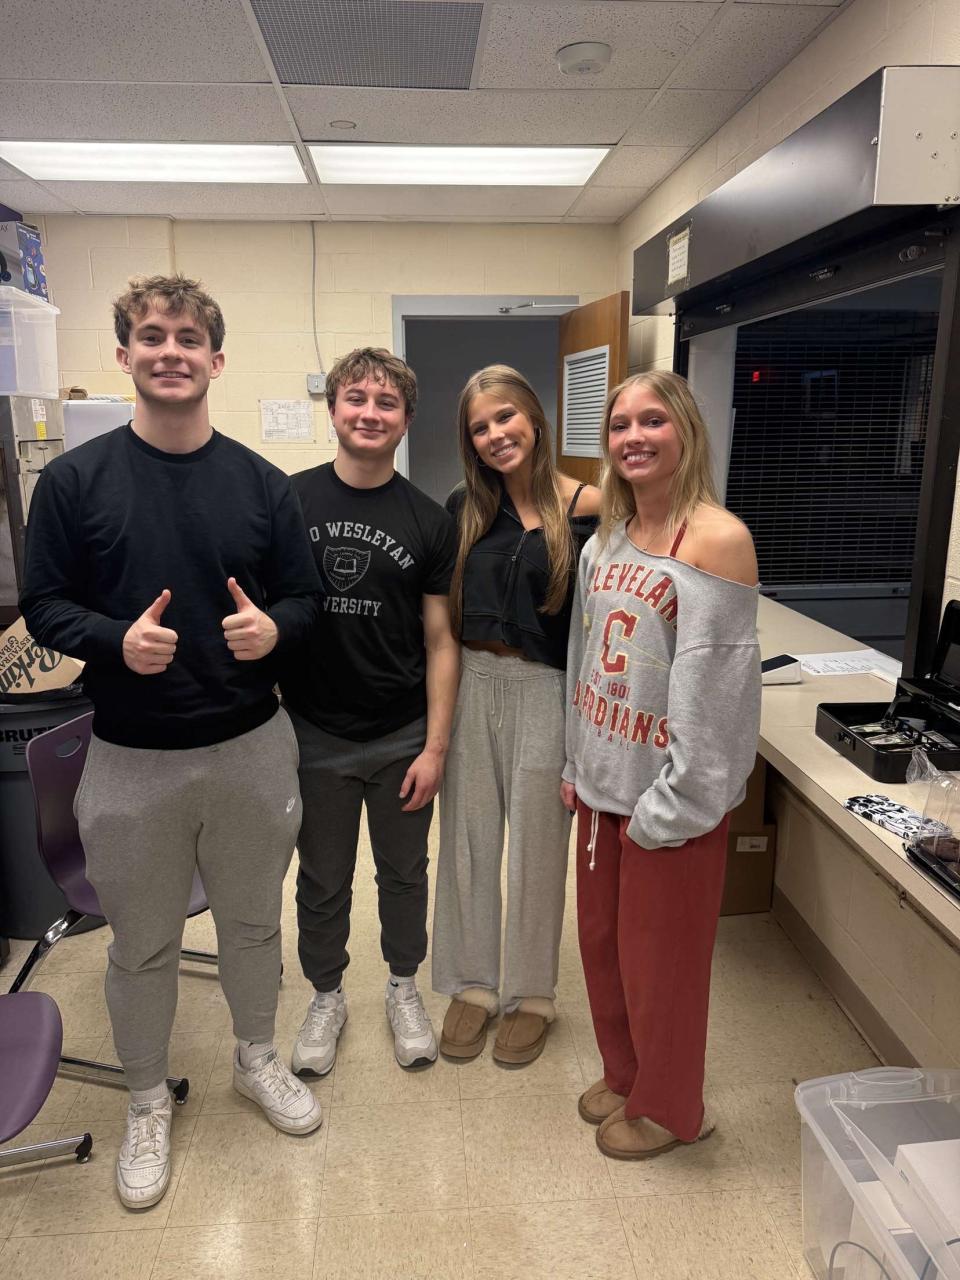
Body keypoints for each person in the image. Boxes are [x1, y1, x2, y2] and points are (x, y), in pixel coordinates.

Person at [20, 274, 324, 1211]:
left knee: (252, 925)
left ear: (215, 360)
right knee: (142, 944)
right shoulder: (74, 482)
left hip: (250, 749)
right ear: (124, 355)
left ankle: (256, 1058)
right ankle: (147, 1099)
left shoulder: (262, 485)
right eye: (151, 336)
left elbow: (306, 600)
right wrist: (114, 640)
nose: (170, 352)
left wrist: (275, 630)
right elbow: (44, 605)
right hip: (130, 760)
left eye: (189, 338)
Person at [562, 370, 760, 1160]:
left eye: (652, 421)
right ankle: (627, 1075)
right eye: (620, 424)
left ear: (686, 429)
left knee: (663, 970)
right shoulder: (605, 540)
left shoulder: (717, 541)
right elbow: (584, 661)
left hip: (670, 804)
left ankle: (675, 1109)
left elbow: (721, 697)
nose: (633, 437)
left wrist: (677, 804)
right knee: (604, 952)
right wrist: (576, 762)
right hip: (601, 787)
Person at [280, 348, 459, 1076]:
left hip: (400, 736)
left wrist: (435, 748)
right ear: (333, 409)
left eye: (387, 403)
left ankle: (402, 988)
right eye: (356, 398)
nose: (369, 413)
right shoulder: (288, 502)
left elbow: (441, 640)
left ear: (406, 419)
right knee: (322, 881)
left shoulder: (428, 519)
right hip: (312, 733)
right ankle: (326, 997)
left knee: (404, 874)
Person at [432, 365, 600, 1065]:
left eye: (505, 417)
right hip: (474, 682)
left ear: (534, 417)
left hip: (546, 691)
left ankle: (532, 996)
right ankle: (473, 985)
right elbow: (440, 622)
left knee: (537, 848)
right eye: (480, 427)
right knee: (468, 841)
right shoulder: (464, 509)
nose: (495, 434)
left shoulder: (589, 508)